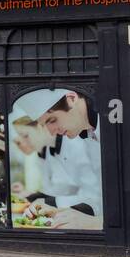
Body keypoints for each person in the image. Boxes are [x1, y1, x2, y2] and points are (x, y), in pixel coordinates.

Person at [14, 89, 102, 229]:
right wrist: (59, 211)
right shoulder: (89, 136)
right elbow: (101, 198)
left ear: (72, 99)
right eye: (44, 125)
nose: (51, 132)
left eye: (52, 120)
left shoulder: (115, 122)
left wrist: (97, 223)